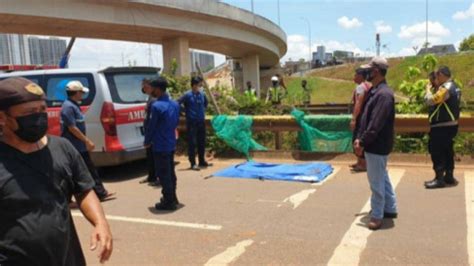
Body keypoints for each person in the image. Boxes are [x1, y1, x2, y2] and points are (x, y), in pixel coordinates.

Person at [0, 77, 113, 265]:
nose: (38, 117)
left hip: (67, 258)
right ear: (2, 117)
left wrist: (100, 222)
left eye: (42, 110)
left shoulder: (62, 148)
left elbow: (84, 190)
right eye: (29, 112)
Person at [354, 56, 397, 230]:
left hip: (377, 144)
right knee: (382, 176)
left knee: (376, 181)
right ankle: (390, 207)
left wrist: (362, 141)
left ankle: (377, 215)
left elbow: (375, 123)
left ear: (376, 72)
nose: (366, 73)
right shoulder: (376, 90)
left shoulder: (383, 94)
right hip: (377, 143)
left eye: (369, 70)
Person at [60, 80, 114, 201]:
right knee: (73, 173)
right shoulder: (68, 107)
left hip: (79, 146)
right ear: (76, 93)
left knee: (89, 170)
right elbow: (72, 128)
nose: (83, 95)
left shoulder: (74, 105)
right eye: (81, 92)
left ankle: (100, 193)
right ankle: (69, 199)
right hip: (74, 147)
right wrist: (87, 141)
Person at [144, 77, 181, 210]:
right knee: (170, 172)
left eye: (152, 88)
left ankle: (168, 201)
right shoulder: (175, 104)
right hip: (170, 141)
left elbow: (151, 126)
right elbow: (176, 122)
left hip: (160, 144)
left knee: (163, 173)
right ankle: (173, 197)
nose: (151, 91)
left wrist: (147, 141)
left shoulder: (156, 106)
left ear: (158, 89)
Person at [424, 66, 461, 189]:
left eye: (436, 76)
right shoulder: (455, 87)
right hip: (450, 125)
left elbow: (431, 100)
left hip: (442, 126)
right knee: (447, 151)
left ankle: (439, 179)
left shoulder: (446, 88)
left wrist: (428, 90)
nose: (435, 79)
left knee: (437, 152)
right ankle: (449, 176)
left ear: (440, 75)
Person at [178, 76, 212, 171]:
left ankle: (202, 160)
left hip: (201, 121)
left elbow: (206, 103)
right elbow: (177, 103)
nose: (200, 86)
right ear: (194, 85)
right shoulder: (187, 95)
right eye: (199, 85)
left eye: (200, 85)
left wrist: (202, 111)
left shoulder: (202, 94)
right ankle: (193, 163)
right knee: (192, 143)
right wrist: (184, 111)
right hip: (191, 122)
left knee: (201, 142)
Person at [350, 68, 371, 172]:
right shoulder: (369, 85)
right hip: (367, 116)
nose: (353, 77)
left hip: (361, 117)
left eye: (355, 75)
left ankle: (363, 164)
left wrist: (354, 118)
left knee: (357, 138)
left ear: (361, 76)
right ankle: (360, 162)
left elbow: (358, 103)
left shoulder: (360, 87)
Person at [140, 78, 159, 186]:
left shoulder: (154, 100)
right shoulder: (150, 98)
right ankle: (151, 176)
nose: (143, 88)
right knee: (150, 156)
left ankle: (156, 177)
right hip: (149, 131)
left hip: (153, 133)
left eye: (145, 86)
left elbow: (153, 119)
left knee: (155, 156)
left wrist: (150, 134)